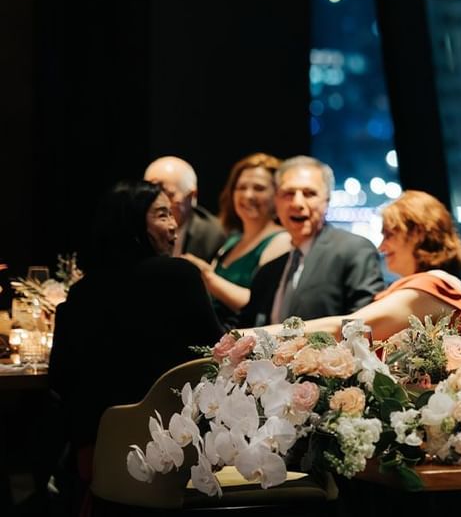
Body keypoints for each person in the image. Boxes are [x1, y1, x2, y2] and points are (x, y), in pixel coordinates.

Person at [50, 181, 222, 509]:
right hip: (184, 455)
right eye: (161, 215)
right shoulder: (180, 276)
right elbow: (214, 355)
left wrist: (86, 445)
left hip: (106, 462)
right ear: (131, 225)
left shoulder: (83, 293)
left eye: (172, 215)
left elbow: (61, 378)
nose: (173, 224)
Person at [265, 189, 461, 340]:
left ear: (417, 233)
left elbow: (349, 328)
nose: (381, 247)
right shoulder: (424, 286)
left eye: (389, 234)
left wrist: (256, 335)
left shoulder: (438, 283)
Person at [238, 156, 385, 327]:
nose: (297, 203)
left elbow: (366, 326)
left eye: (309, 194)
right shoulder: (267, 272)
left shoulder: (354, 251)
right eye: (288, 194)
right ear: (276, 201)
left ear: (327, 200)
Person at [181, 153, 291, 328]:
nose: (248, 195)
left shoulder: (282, 240)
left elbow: (260, 303)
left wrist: (207, 276)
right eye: (241, 187)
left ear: (277, 195)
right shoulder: (232, 240)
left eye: (259, 188)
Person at [144, 155, 227, 262]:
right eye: (149, 195)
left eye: (167, 194)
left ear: (192, 196)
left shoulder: (212, 235)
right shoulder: (134, 226)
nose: (155, 204)